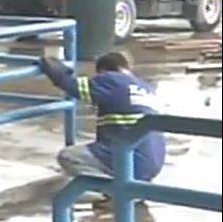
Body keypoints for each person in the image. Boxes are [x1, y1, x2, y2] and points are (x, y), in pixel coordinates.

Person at [39, 51, 166, 190]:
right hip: (153, 162)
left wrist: (51, 65)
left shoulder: (111, 79)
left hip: (130, 159)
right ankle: (134, 188)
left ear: (103, 70)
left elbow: (72, 86)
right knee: (99, 149)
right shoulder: (145, 87)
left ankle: (114, 192)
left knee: (68, 156)